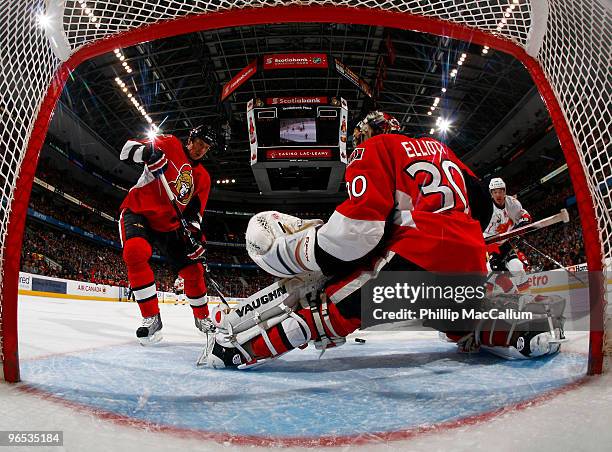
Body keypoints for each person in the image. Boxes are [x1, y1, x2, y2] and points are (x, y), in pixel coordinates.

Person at [205, 111, 560, 369]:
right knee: (459, 323)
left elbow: (356, 232)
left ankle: (239, 352)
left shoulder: (374, 149)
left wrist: (308, 256)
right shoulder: (439, 148)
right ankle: (523, 330)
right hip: (468, 256)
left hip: (418, 252)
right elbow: (481, 206)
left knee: (325, 310)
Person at [118, 124, 219, 345]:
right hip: (140, 210)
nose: (201, 149)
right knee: (136, 251)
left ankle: (203, 319)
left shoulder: (203, 178)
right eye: (199, 143)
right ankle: (151, 317)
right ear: (190, 140)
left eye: (206, 147)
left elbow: (195, 215)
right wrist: (146, 152)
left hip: (170, 224)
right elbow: (127, 149)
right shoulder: (169, 143)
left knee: (194, 269)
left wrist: (197, 240)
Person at [483, 177, 532, 293]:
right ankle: (503, 296)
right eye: (495, 192)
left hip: (506, 242)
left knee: (517, 266)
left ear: (505, 191)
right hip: (490, 243)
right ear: (491, 194)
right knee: (492, 271)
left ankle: (527, 297)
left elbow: (525, 216)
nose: (498, 195)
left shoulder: (513, 203)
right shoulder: (485, 207)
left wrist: (523, 223)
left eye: (501, 191)